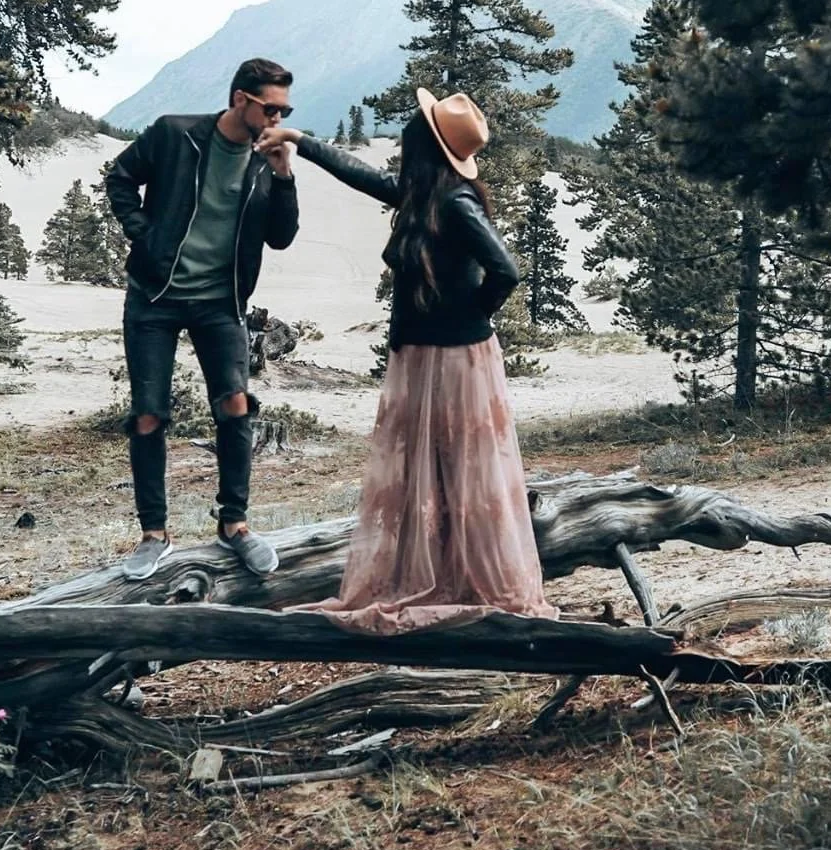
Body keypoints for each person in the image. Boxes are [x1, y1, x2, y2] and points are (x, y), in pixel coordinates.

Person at [257, 90, 556, 633]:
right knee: (429, 467)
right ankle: (442, 569)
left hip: (456, 358)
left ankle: (471, 577)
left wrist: (468, 316)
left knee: (462, 466)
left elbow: (506, 271)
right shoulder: (422, 194)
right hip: (422, 354)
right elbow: (359, 175)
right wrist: (299, 140)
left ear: (425, 146)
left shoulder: (456, 203)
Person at [101, 57, 301, 579]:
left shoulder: (265, 162)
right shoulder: (176, 134)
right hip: (155, 296)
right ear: (240, 100)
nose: (278, 119)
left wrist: (284, 175)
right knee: (149, 414)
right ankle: (154, 534)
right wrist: (145, 235)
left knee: (235, 405)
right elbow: (120, 177)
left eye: (285, 111)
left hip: (221, 302)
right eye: (271, 109)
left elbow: (281, 237)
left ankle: (235, 525)